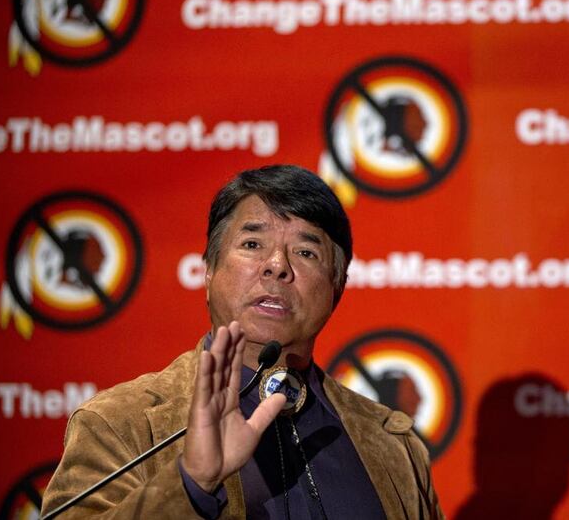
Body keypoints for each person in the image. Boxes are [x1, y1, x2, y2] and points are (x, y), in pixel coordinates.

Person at [41, 165, 443, 519]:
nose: (277, 265)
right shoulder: (120, 422)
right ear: (209, 272)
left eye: (306, 252)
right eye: (252, 244)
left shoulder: (393, 444)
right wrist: (191, 484)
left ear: (337, 286)